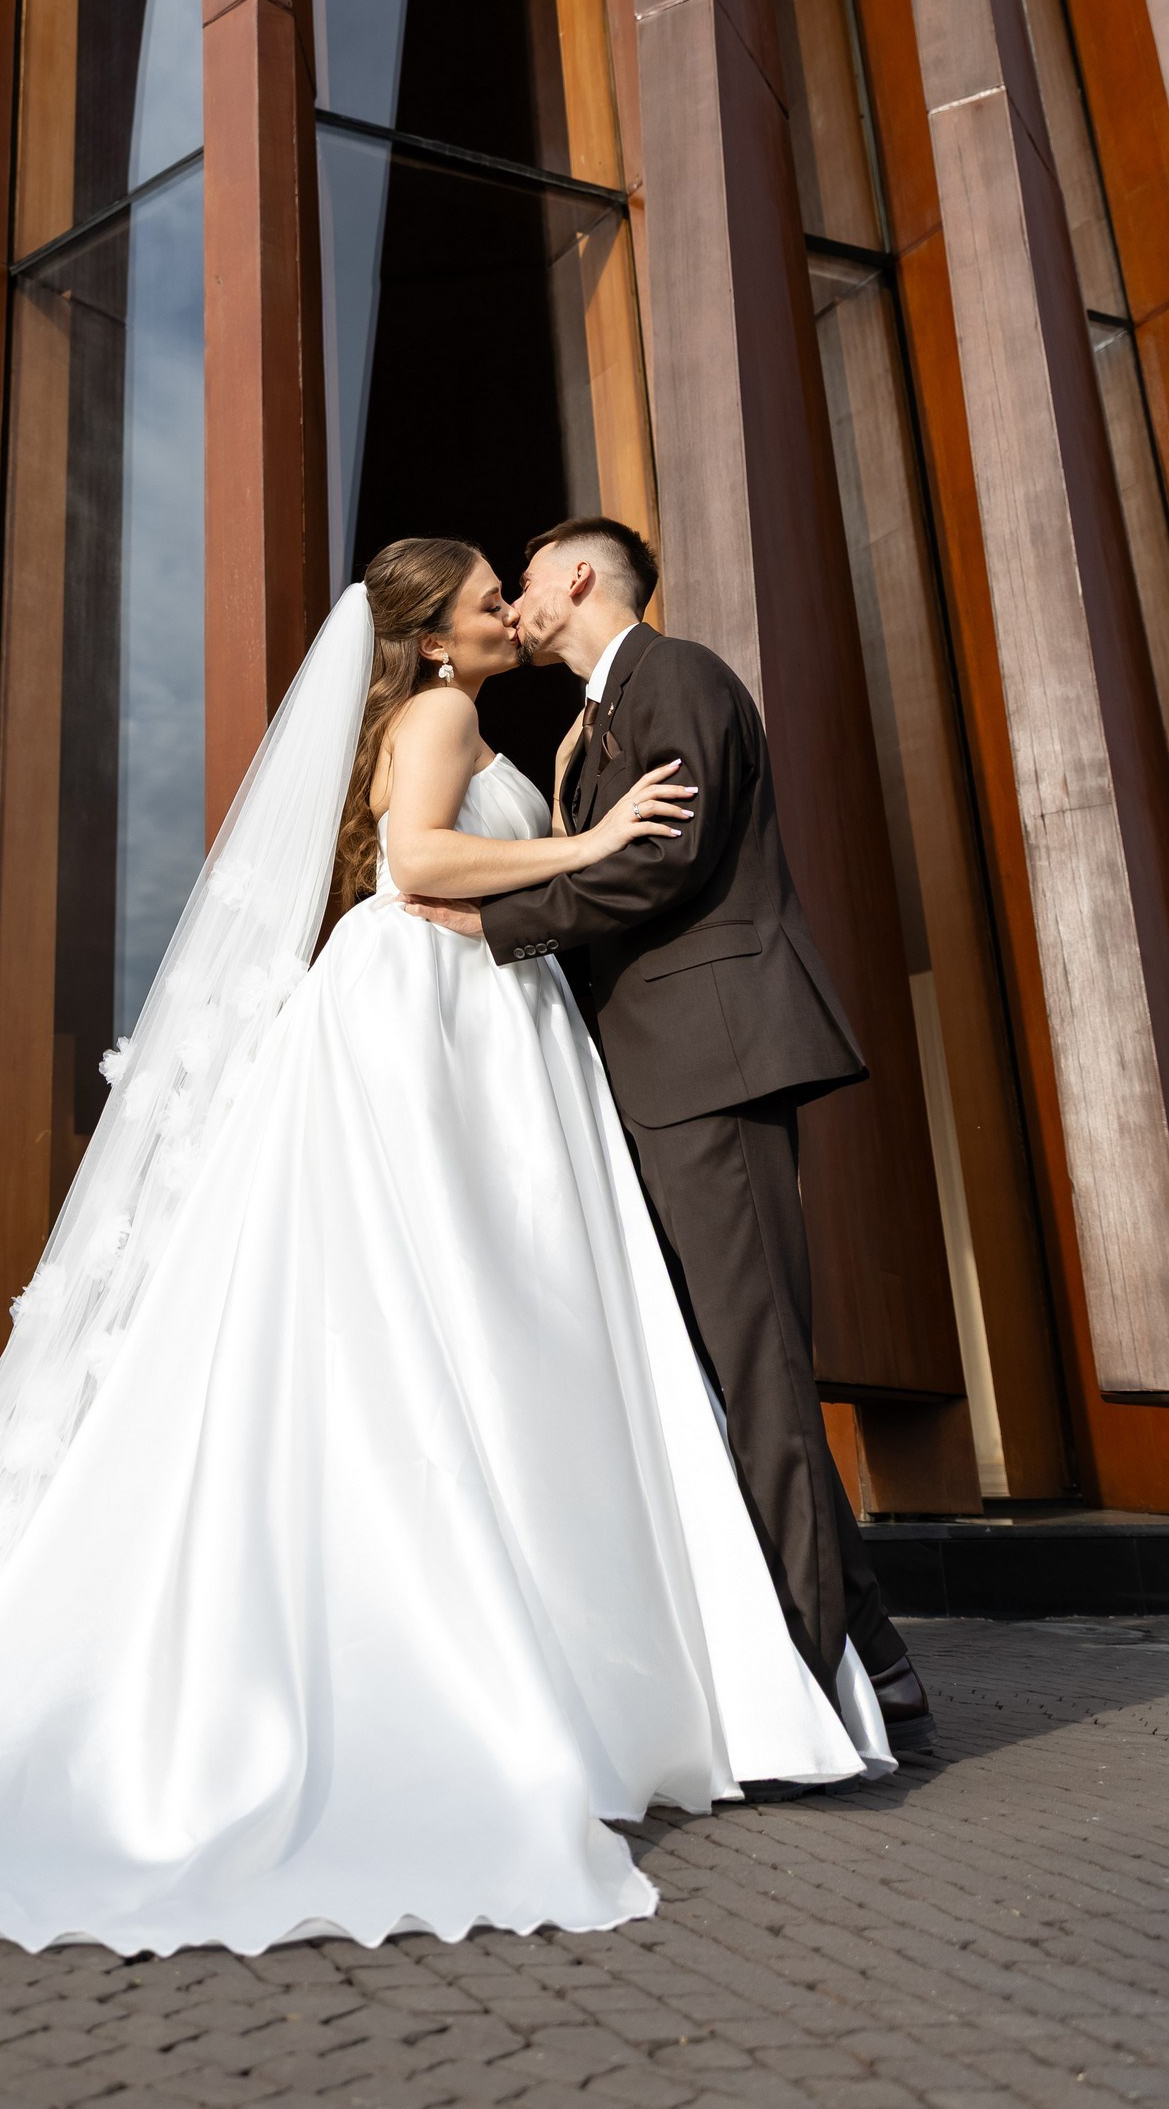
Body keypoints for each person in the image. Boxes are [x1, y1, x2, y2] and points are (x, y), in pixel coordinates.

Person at [0, 540, 891, 1956]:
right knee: (476, 1312)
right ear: (428, 638)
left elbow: (458, 870)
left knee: (523, 1319)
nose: (507, 613)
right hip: (430, 1011)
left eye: (517, 591)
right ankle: (719, 1657)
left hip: (481, 1016)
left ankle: (785, 1649)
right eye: (488, 597)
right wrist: (588, 845)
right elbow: (419, 863)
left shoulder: (578, 708)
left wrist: (540, 877)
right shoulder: (445, 717)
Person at [406, 517, 932, 1757]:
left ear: (576, 576)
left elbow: (668, 860)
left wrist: (499, 927)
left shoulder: (676, 675)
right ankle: (881, 1665)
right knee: (729, 1375)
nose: (516, 599)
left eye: (523, 578)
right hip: (656, 1075)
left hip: (712, 1060)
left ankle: (808, 1693)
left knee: (756, 1372)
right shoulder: (590, 721)